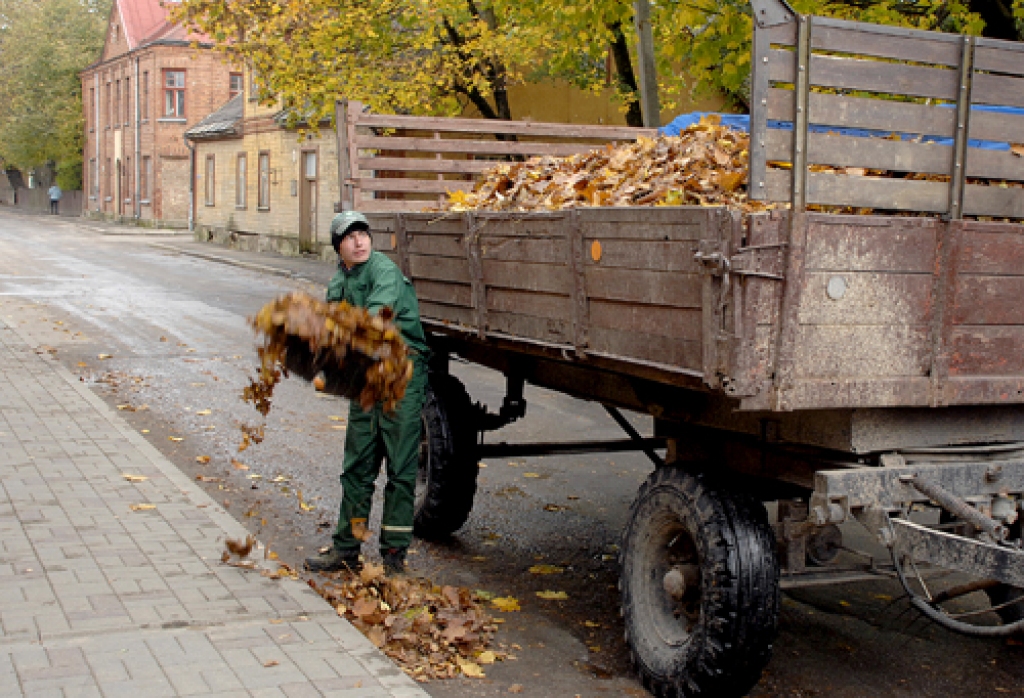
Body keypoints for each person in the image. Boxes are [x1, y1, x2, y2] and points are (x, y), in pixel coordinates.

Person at [305, 211, 430, 576]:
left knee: (401, 465)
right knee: (357, 463)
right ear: (338, 247)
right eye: (350, 237)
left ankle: (393, 556)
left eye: (363, 234)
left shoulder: (384, 272)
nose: (359, 242)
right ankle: (346, 547)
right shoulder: (339, 281)